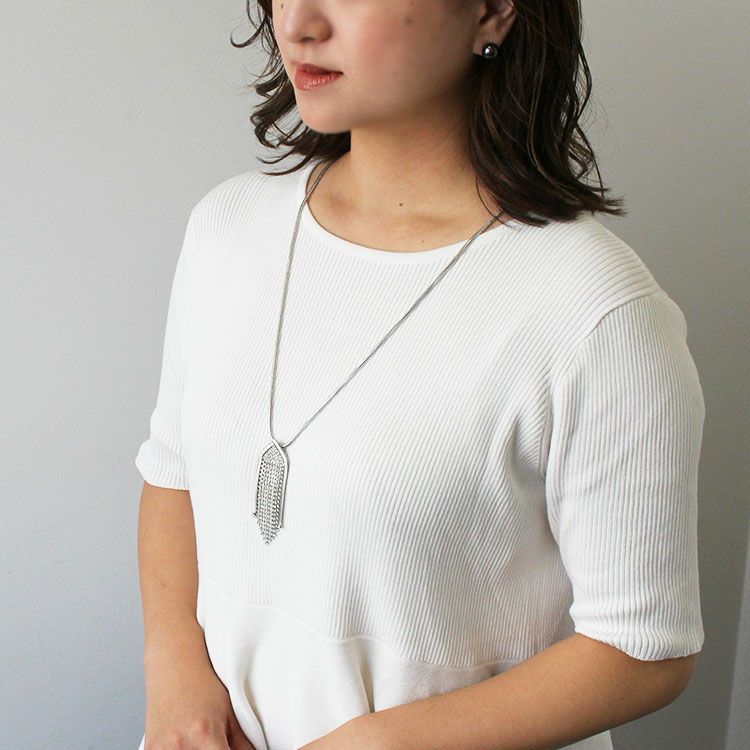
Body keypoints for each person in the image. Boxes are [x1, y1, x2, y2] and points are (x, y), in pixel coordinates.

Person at [135, 2, 705, 749]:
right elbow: (173, 474)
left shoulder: (593, 308)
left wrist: (376, 743)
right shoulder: (229, 226)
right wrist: (178, 683)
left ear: (493, 11)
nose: (297, 23)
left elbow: (644, 647)